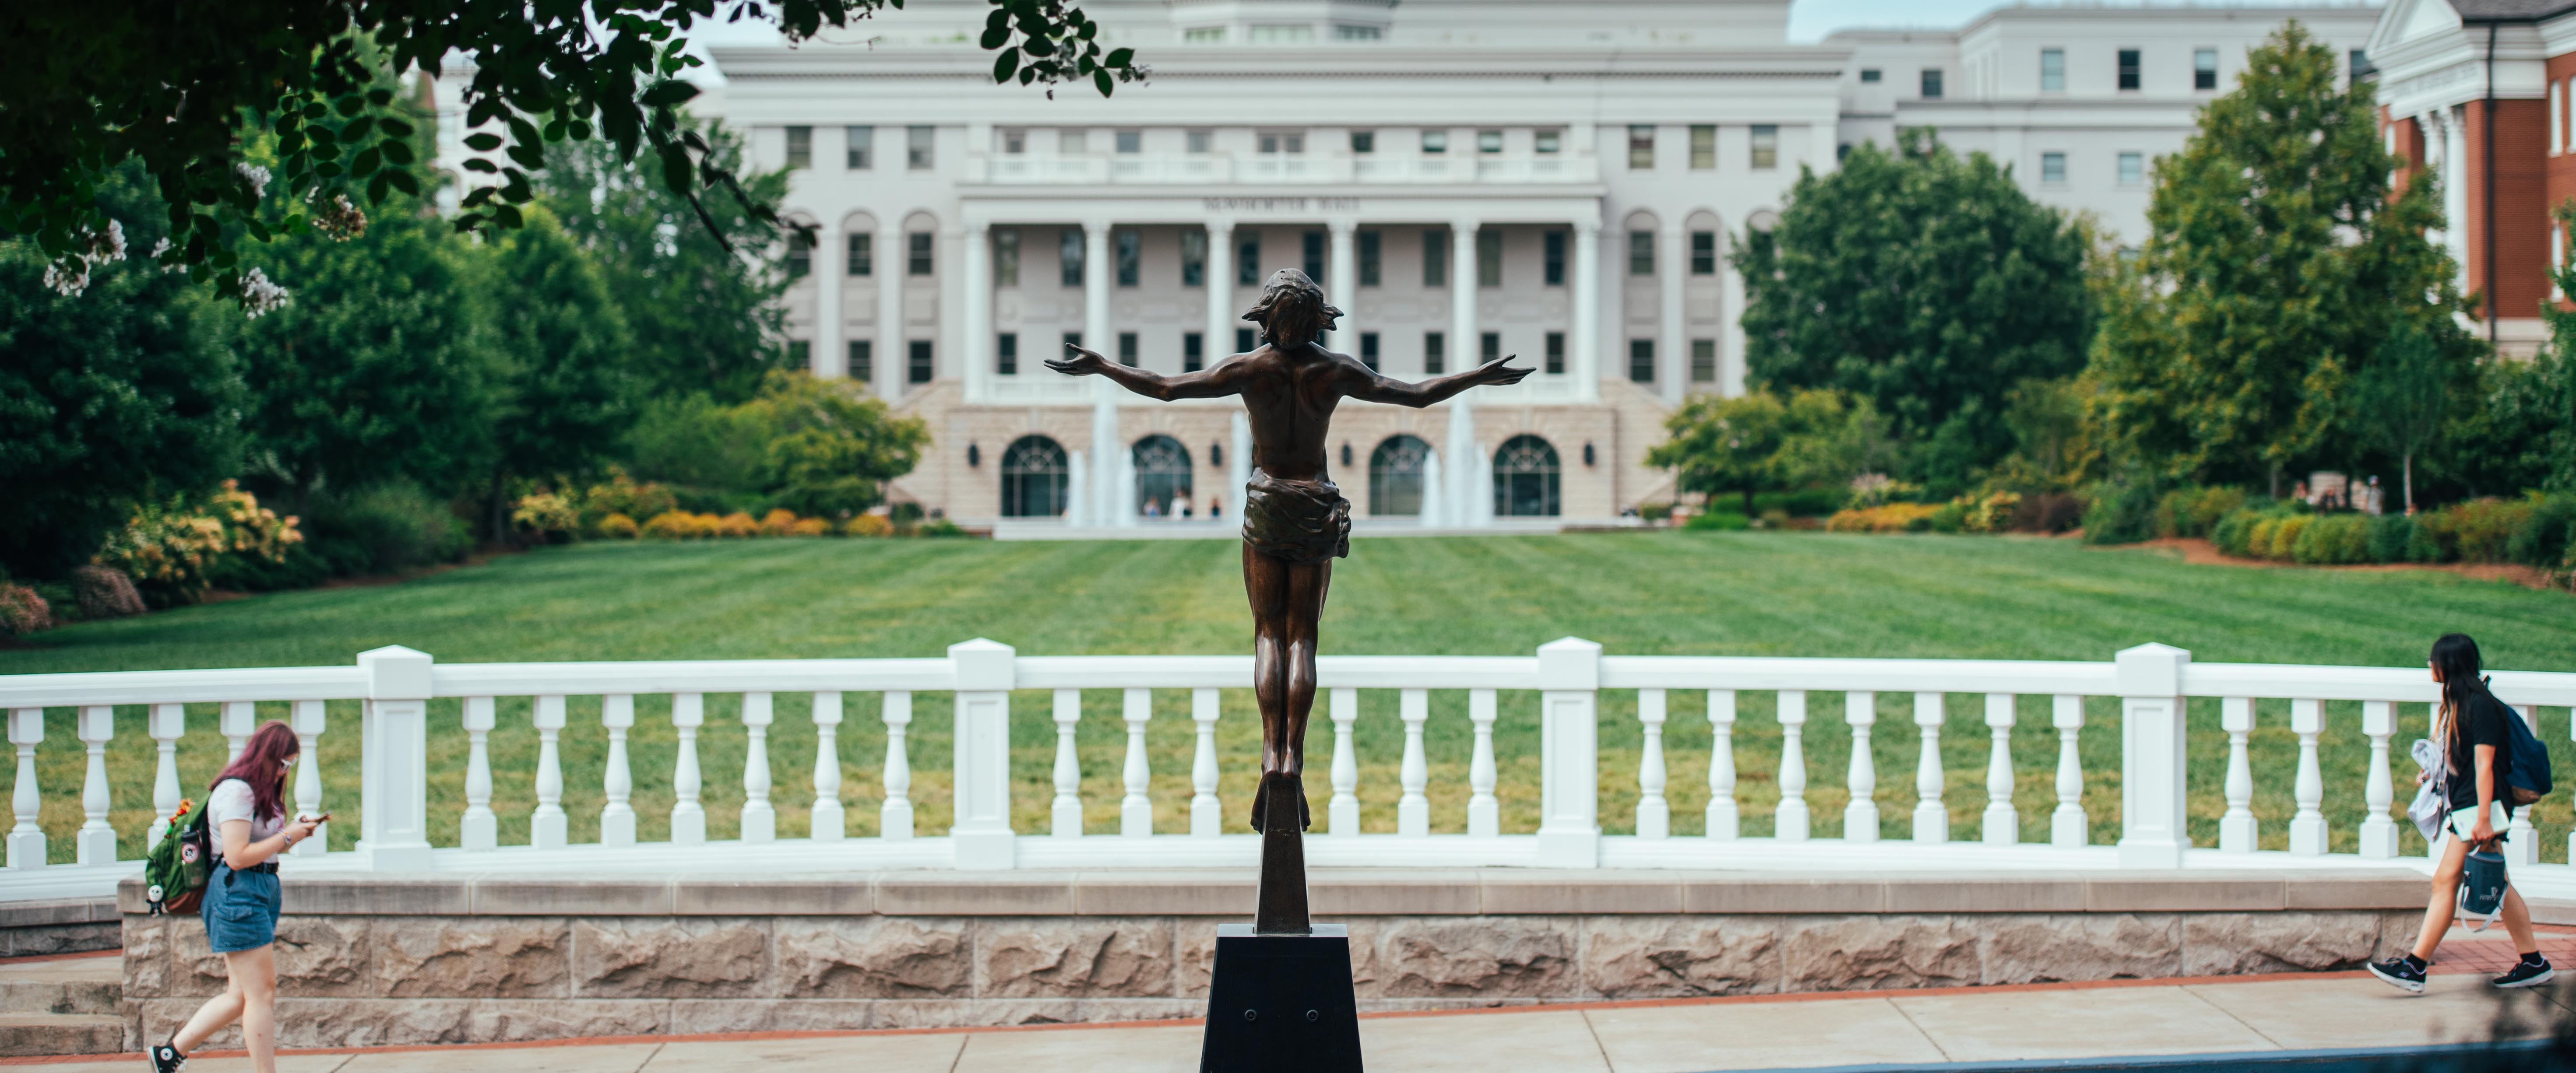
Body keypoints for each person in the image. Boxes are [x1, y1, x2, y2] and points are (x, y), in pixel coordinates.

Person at [1048, 267, 1527, 932]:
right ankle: (1293, 756)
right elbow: (1415, 396)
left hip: (1268, 501)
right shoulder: (1334, 372)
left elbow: (1163, 388)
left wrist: (1102, 367)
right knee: (1304, 637)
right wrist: (1477, 376)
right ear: (1317, 319)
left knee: (1267, 636)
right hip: (1316, 502)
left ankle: (1270, 756)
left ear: (1269, 318)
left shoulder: (1252, 370)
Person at [2368, 634, 2555, 993]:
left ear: (2449, 663)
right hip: (2470, 805)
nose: (2428, 664)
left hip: (2479, 808)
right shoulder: (2459, 701)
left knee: (2446, 881)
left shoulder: (2480, 705)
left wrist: (2485, 818)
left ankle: (2415, 967)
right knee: (2497, 884)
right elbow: (2466, 762)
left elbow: (2486, 766)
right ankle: (2533, 961)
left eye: (2432, 658)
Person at [150, 721, 323, 1073]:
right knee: (263, 994)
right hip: (237, 892)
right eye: (283, 764)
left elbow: (262, 848)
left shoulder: (257, 793)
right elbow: (237, 855)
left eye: (291, 765)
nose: (284, 772)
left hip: (257, 889)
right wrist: (290, 837)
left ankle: (168, 1056)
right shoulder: (237, 792)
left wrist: (294, 830)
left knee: (240, 995)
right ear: (266, 756)